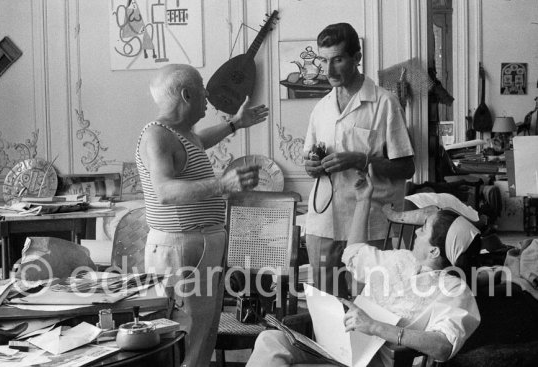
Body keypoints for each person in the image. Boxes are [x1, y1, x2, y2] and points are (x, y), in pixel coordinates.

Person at [246, 165, 481, 367]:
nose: (417, 232)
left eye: (424, 229)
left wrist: (375, 327)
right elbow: (353, 253)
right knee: (270, 340)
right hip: (339, 345)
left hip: (375, 360)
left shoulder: (454, 291)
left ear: (434, 251)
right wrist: (363, 200)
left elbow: (443, 346)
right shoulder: (401, 259)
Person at [135, 64, 269, 367]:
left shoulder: (181, 134)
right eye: (201, 88)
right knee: (184, 333)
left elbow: (201, 140)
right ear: (186, 94)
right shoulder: (156, 136)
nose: (208, 94)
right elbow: (165, 192)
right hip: (180, 246)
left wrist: (235, 124)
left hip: (199, 246)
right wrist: (222, 184)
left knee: (203, 334)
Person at [303, 23, 415, 298]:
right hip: (324, 222)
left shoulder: (385, 104)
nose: (328, 71)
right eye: (323, 61)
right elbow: (308, 161)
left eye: (338, 60)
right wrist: (311, 166)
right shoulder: (321, 109)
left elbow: (406, 167)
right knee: (326, 306)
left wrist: (361, 160)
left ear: (357, 57)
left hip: (371, 223)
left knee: (370, 307)